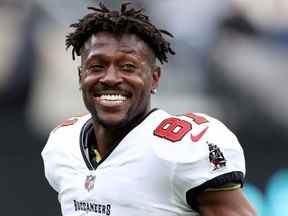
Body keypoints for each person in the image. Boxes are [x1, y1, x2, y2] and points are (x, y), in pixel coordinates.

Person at [41, 2, 257, 216]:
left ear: (154, 79)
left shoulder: (181, 148)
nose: (111, 78)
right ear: (81, 76)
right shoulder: (62, 145)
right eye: (97, 66)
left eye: (128, 67)